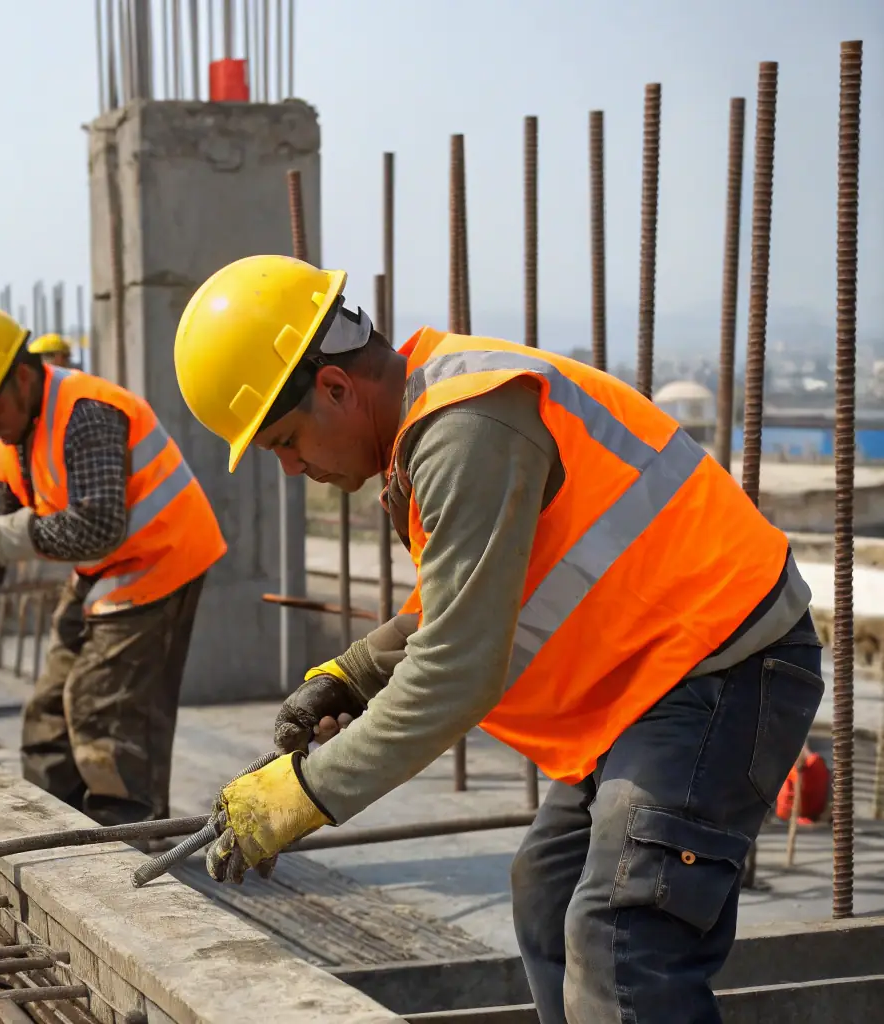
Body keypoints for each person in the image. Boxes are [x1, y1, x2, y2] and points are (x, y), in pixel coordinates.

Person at [171, 255, 823, 1023]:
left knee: (621, 934)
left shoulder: (463, 429)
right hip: (654, 678)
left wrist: (303, 794)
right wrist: (351, 675)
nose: (290, 468)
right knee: (546, 896)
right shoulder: (438, 417)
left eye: (284, 440)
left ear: (336, 388)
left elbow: (455, 670)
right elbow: (472, 602)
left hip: (722, 663)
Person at [0, 304, 228, 828]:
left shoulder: (86, 412)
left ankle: (128, 837)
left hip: (162, 558)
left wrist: (0, 536)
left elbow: (97, 526)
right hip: (105, 572)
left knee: (102, 709)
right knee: (47, 717)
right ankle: (58, 833)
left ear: (21, 377)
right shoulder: (14, 438)